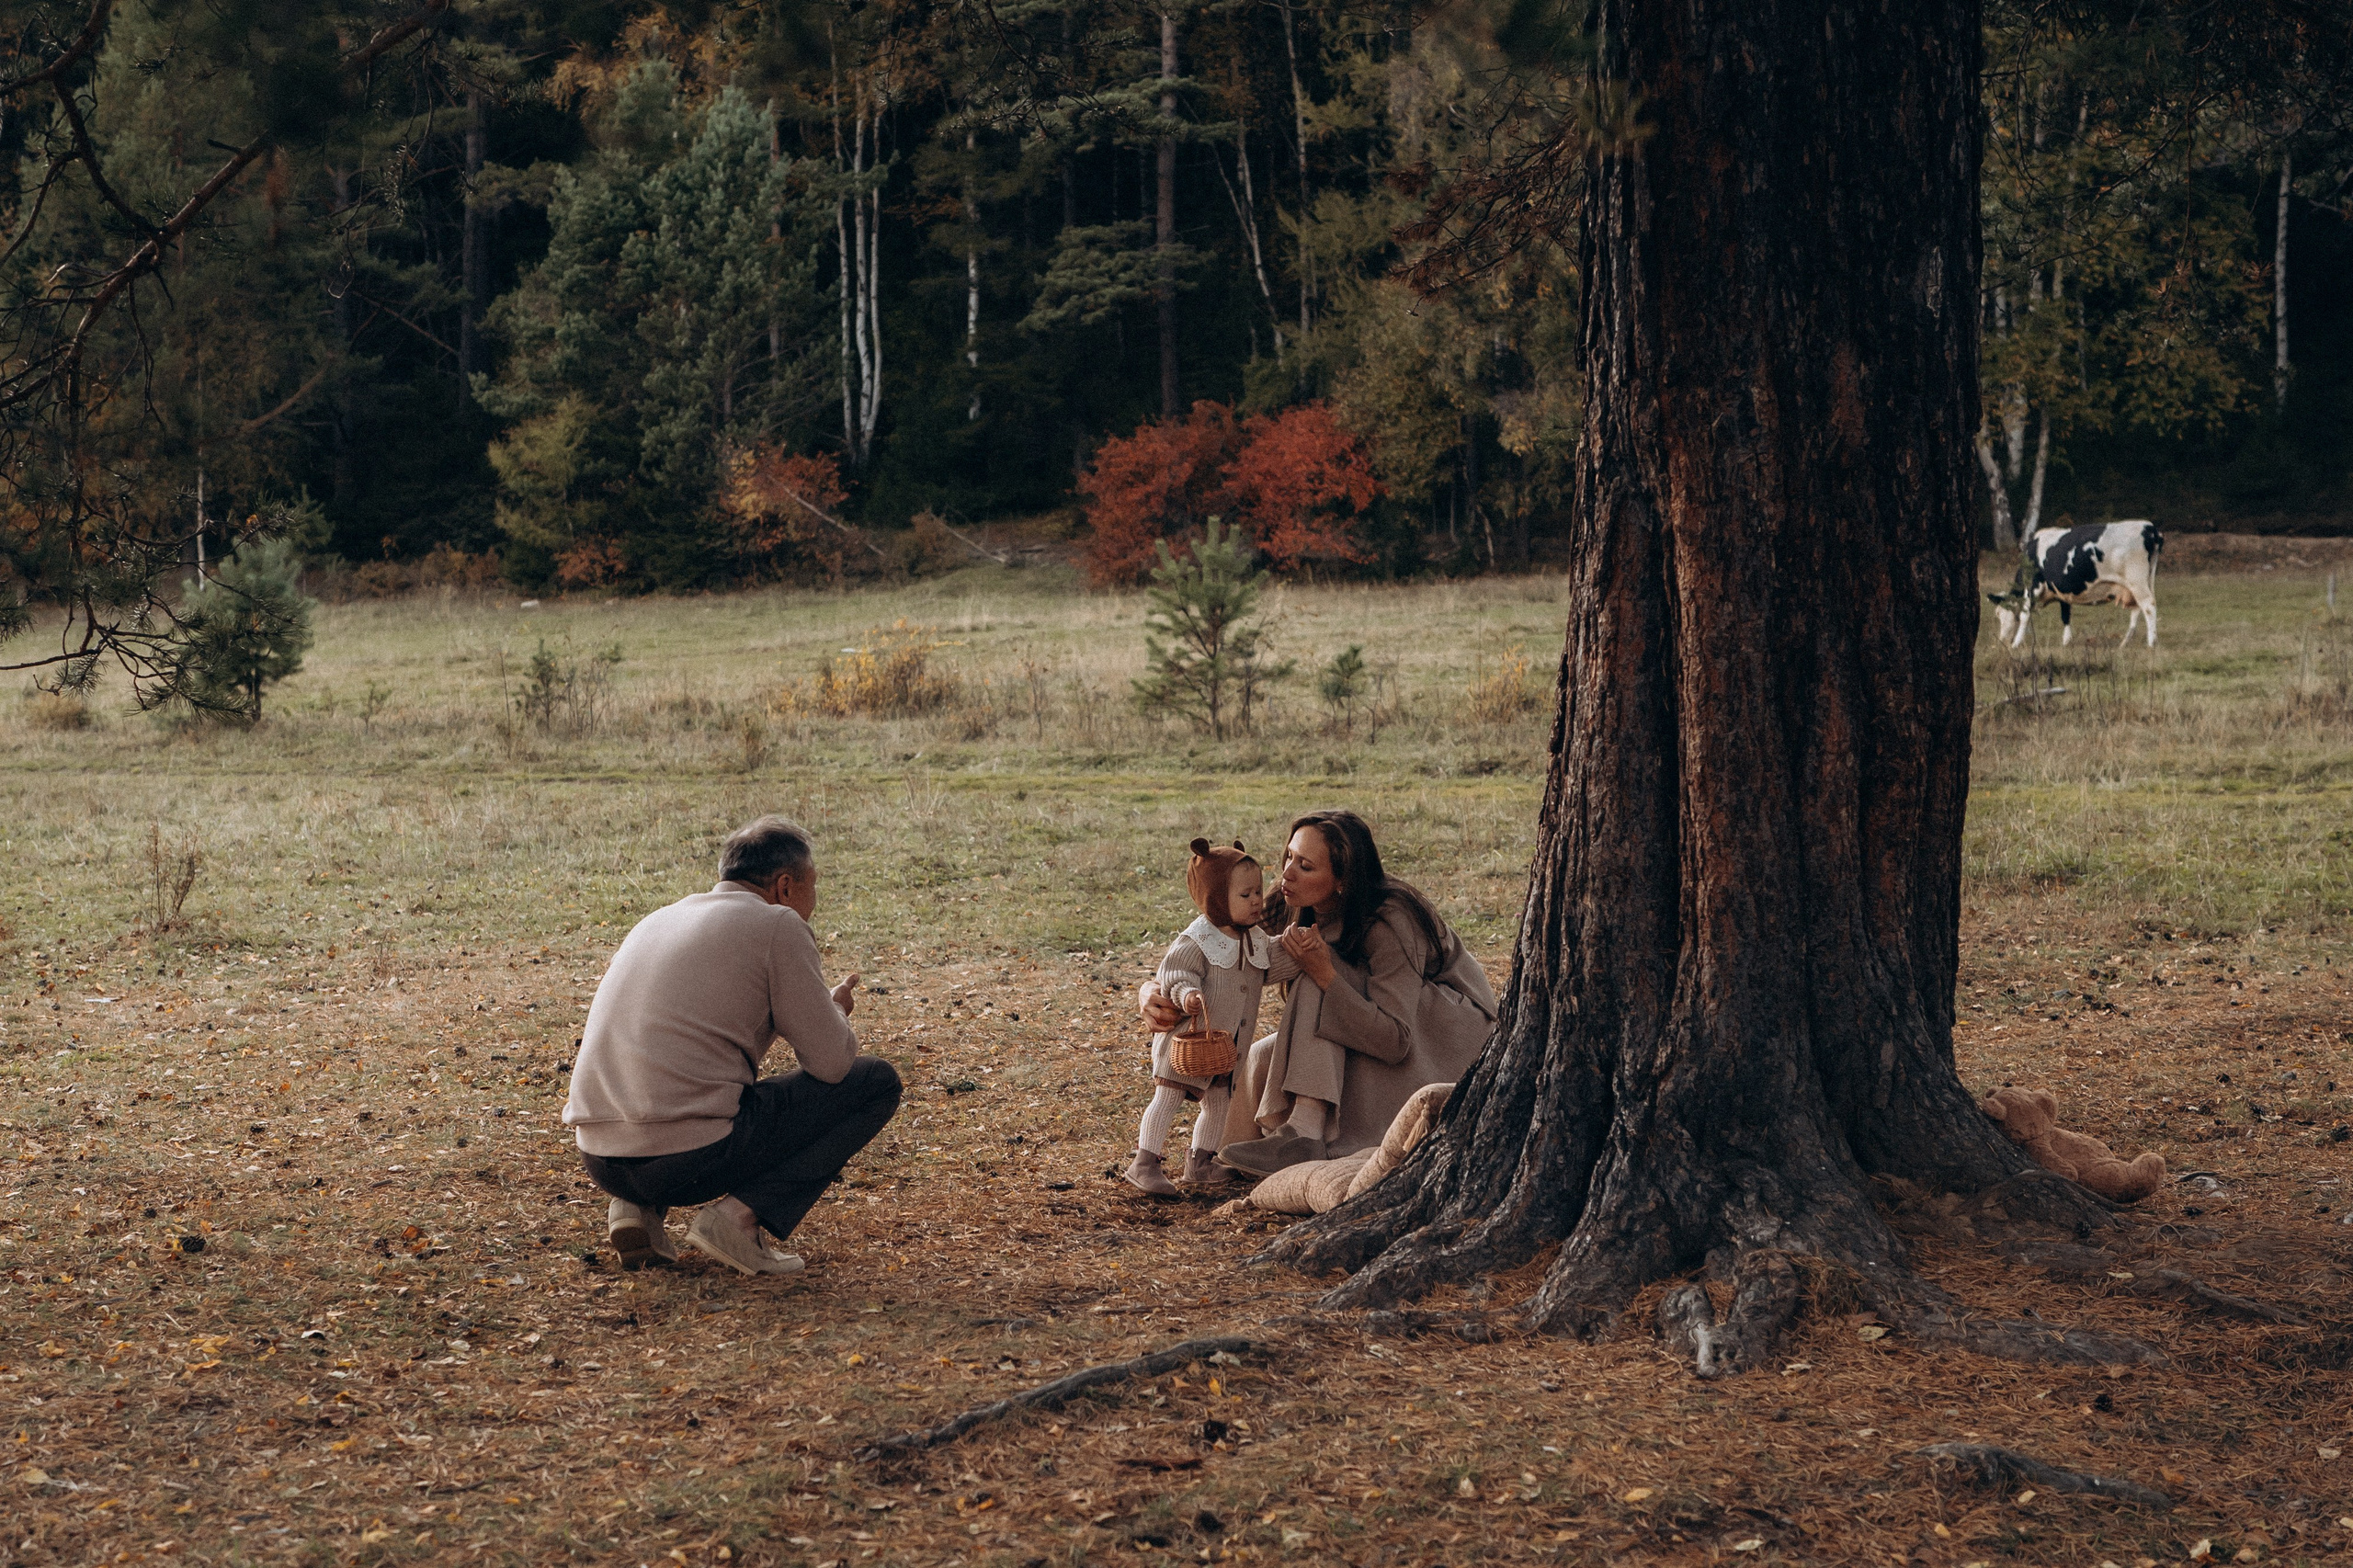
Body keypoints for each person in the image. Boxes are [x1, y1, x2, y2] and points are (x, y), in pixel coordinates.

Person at [563, 816, 902, 1275]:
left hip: (601, 1157)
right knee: (875, 1082)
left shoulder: (658, 919)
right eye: (814, 884)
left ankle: (637, 1209)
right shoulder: (777, 924)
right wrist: (835, 1012)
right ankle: (737, 1220)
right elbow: (832, 1063)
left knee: (675, 1075)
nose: (814, 898)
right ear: (786, 886)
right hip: (686, 1161)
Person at [1138, 810, 1495, 1175]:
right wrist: (1153, 989)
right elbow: (1213, 940)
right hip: (1363, 1017)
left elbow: (1394, 1039)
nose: (1287, 874)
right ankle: (1219, 1158)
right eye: (1289, 857)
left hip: (1444, 1036)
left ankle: (1305, 1132)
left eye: (1305, 866)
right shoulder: (1291, 896)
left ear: (1342, 880)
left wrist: (1325, 973)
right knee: (1260, 1058)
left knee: (1313, 969)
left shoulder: (1390, 922)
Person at [1126, 838, 1277, 1196]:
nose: (1257, 901)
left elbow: (1271, 966)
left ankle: (1200, 1161)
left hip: (1223, 1050)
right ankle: (1144, 1162)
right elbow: (1175, 973)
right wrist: (1186, 994)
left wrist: (1298, 951)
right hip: (1186, 1042)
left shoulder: (1255, 939)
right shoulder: (1198, 939)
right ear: (1216, 899)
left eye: (1258, 892)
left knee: (1218, 1104)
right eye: (1245, 895)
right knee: (1167, 1098)